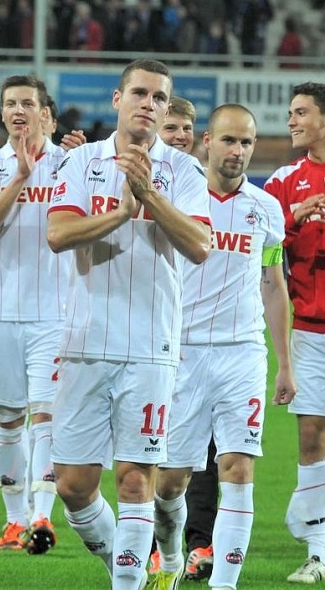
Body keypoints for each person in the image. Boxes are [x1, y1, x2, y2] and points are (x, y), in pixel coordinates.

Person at [46, 58, 212, 589]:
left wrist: (148, 197)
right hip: (84, 340)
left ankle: (129, 583)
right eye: (139, 93)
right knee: (72, 485)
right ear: (117, 100)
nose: (149, 103)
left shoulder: (183, 172)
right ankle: (133, 567)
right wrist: (119, 214)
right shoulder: (81, 163)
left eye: (159, 97)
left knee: (136, 478)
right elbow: (58, 234)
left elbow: (200, 245)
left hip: (150, 345)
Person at [149, 103, 295, 590]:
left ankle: (224, 584)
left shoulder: (266, 210)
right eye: (229, 140)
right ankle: (169, 554)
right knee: (170, 482)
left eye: (247, 143)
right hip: (182, 353)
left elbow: (273, 286)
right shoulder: (182, 201)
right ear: (207, 141)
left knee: (237, 464)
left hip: (242, 354)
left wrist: (284, 365)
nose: (238, 152)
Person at [0, 75, 78, 555]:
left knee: (46, 415)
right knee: (8, 419)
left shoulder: (72, 164)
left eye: (27, 103)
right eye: (10, 103)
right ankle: (12, 521)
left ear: (44, 113)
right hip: (1, 314)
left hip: (56, 314)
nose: (17, 111)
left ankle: (40, 517)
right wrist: (20, 177)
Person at [264, 82, 325, 585]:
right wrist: (292, 217)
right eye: (290, 113)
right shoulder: (286, 180)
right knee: (311, 435)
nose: (291, 121)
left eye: (301, 112)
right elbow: (254, 239)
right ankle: (319, 550)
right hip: (308, 330)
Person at [156, 95, 218, 582]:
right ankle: (161, 544)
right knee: (163, 453)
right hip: (165, 335)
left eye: (185, 128)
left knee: (210, 453)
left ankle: (200, 543)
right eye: (170, 126)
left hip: (214, 344)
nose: (179, 135)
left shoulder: (208, 185)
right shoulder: (151, 180)